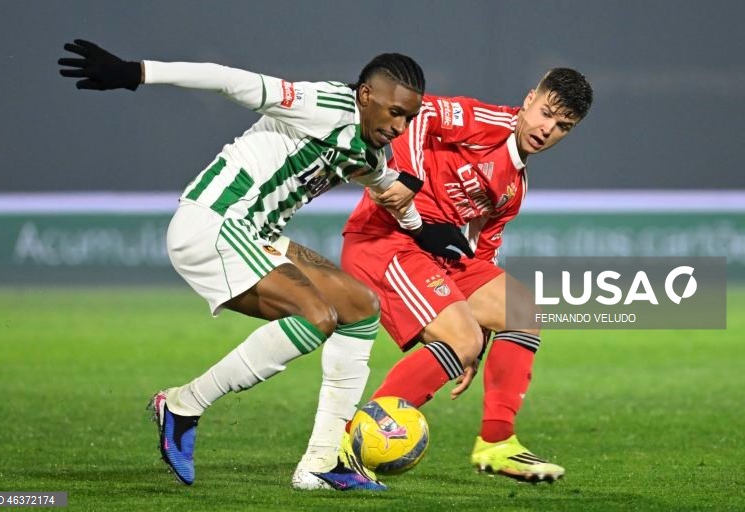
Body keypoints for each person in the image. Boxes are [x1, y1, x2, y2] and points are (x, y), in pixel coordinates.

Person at [58, 39, 471, 491]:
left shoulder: (370, 150)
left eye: (409, 117)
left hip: (257, 235)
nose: (400, 125)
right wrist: (137, 72)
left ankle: (323, 460)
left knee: (361, 308)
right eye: (395, 112)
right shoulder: (322, 104)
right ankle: (183, 405)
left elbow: (383, 185)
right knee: (315, 316)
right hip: (213, 220)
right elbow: (229, 81)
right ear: (366, 95)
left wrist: (420, 230)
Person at [341, 68, 593, 483]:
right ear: (530, 99)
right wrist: (410, 184)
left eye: (563, 127)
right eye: (546, 113)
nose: (547, 130)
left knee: (520, 311)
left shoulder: (515, 185)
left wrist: (482, 336)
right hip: (386, 241)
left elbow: (479, 256)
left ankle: (497, 444)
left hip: (433, 254)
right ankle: (352, 443)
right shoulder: (483, 122)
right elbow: (417, 116)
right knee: (460, 340)